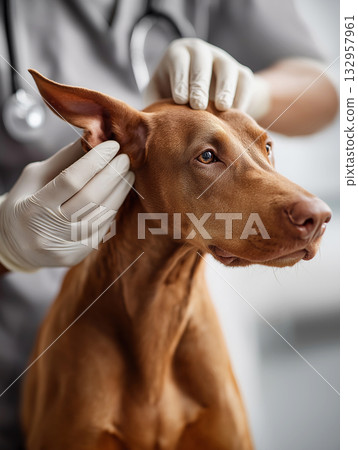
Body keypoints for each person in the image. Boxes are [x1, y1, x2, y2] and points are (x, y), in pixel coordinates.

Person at [0, 0, 338, 448]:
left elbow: (329, 89)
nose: (309, 211)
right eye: (209, 156)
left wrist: (257, 91)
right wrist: (4, 242)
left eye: (264, 148)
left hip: (189, 315)